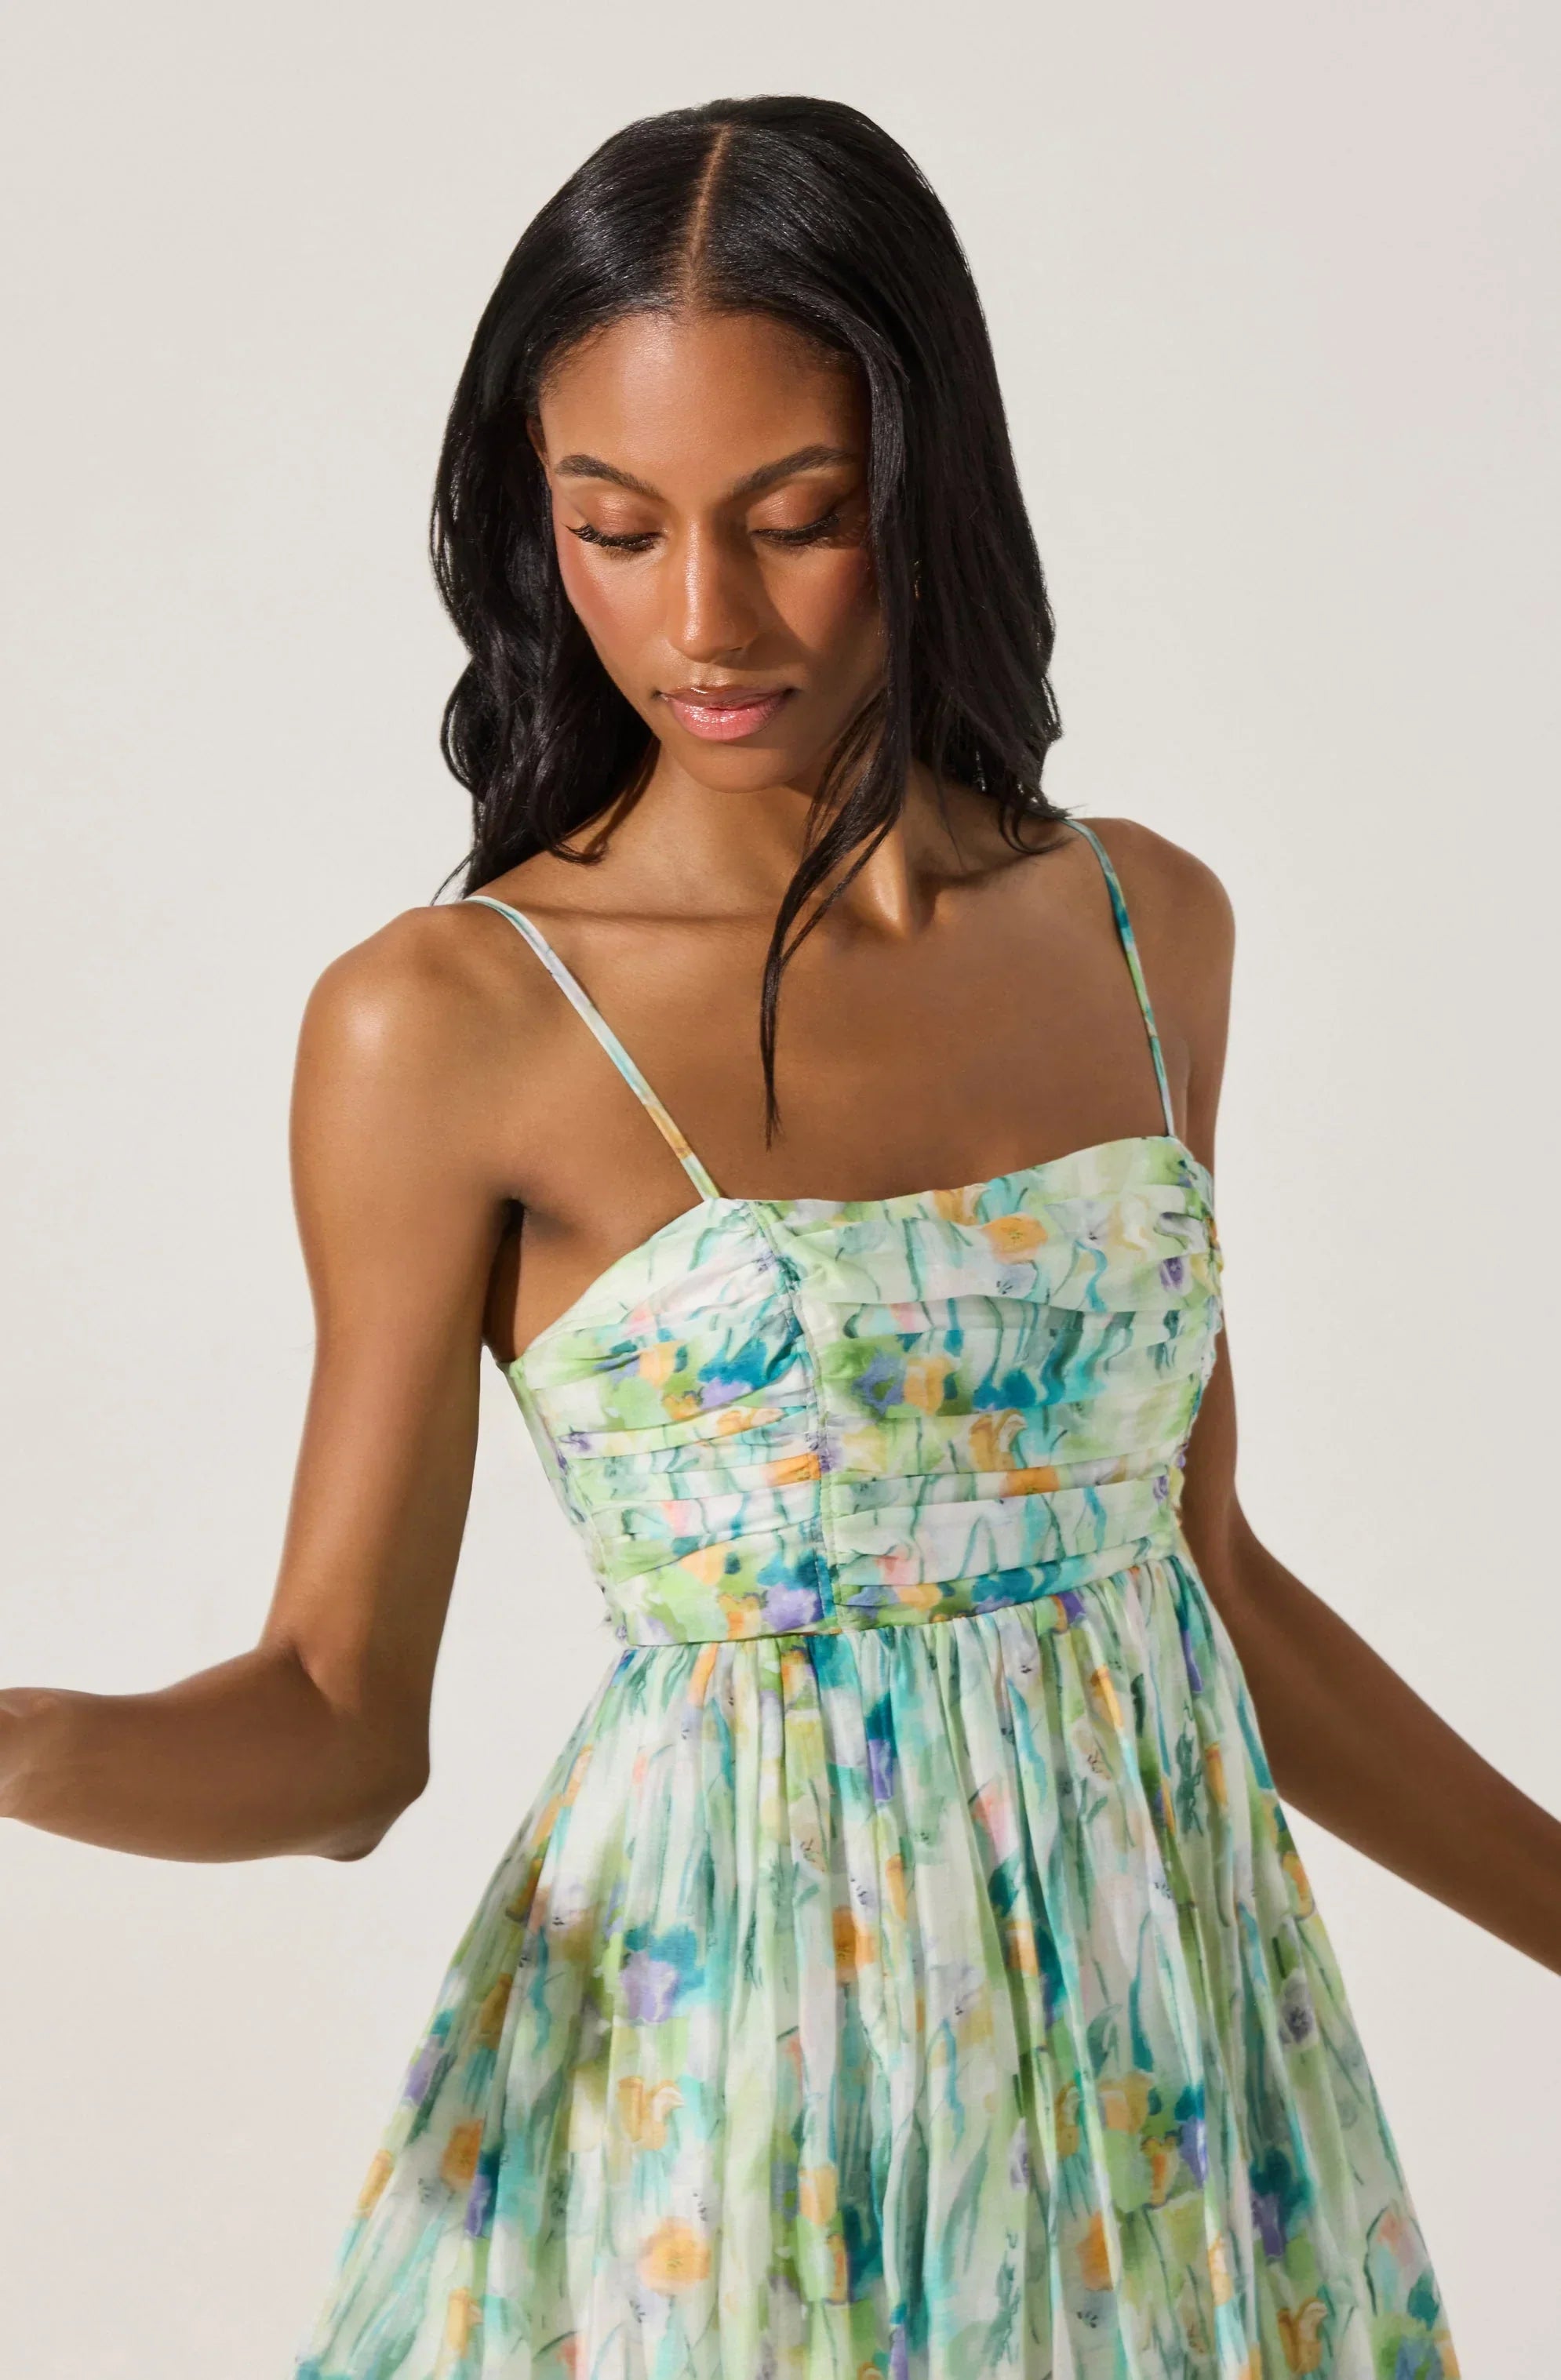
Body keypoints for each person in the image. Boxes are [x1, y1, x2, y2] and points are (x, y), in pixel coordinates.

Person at [7, 91, 1548, 2380]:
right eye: (614, 529)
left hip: (1164, 2098)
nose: (703, 623)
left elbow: (1206, 1574)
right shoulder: (448, 1023)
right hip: (726, 2134)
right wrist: (19, 1741)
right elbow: (337, 1728)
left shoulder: (1146, 931)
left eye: (798, 519)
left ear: (931, 488)